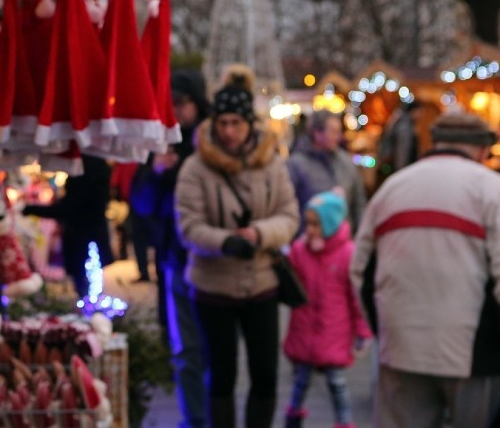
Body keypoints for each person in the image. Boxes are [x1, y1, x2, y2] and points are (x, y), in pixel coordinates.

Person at [350, 111, 500, 428]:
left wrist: (385, 330)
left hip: (401, 351)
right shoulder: (496, 191)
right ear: (481, 149)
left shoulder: (392, 188)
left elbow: (360, 270)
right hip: (477, 358)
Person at [175, 65, 299, 428]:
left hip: (261, 284)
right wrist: (224, 242)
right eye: (223, 122)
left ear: (250, 125)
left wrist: (260, 234)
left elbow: (289, 215)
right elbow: (189, 225)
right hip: (213, 287)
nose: (229, 131)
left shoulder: (271, 163)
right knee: (221, 375)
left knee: (265, 375)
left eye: (236, 123)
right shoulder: (195, 168)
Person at [129, 69, 211, 428]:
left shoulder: (212, 140)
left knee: (213, 347)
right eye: (170, 103)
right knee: (186, 348)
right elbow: (140, 203)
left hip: (212, 259)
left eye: (181, 103)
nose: (176, 112)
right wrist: (156, 172)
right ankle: (195, 417)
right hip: (174, 258)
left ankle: (214, 413)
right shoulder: (163, 143)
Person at [282, 189, 372, 428]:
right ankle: (293, 415)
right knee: (301, 379)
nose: (309, 229)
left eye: (315, 224)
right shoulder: (301, 251)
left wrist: (363, 331)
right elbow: (289, 277)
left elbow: (356, 298)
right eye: (307, 223)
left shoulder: (346, 254)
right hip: (305, 329)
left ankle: (344, 420)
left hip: (334, 331)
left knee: (337, 382)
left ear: (330, 223)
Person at [22, 154, 114, 296]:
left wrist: (30, 209)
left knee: (85, 284)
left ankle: (88, 308)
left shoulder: (83, 175)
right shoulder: (98, 169)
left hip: (81, 236)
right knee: (91, 283)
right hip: (92, 233)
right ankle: (91, 307)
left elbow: (68, 208)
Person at [287, 109, 366, 233]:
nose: (338, 137)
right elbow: (289, 207)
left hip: (343, 243)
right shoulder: (296, 164)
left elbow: (358, 201)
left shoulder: (345, 161)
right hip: (309, 243)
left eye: (339, 131)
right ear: (317, 133)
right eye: (333, 132)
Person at [376, 100, 423, 185]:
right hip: (400, 169)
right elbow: (402, 150)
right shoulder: (404, 126)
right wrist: (401, 173)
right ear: (413, 111)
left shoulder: (401, 122)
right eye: (420, 112)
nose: (421, 115)